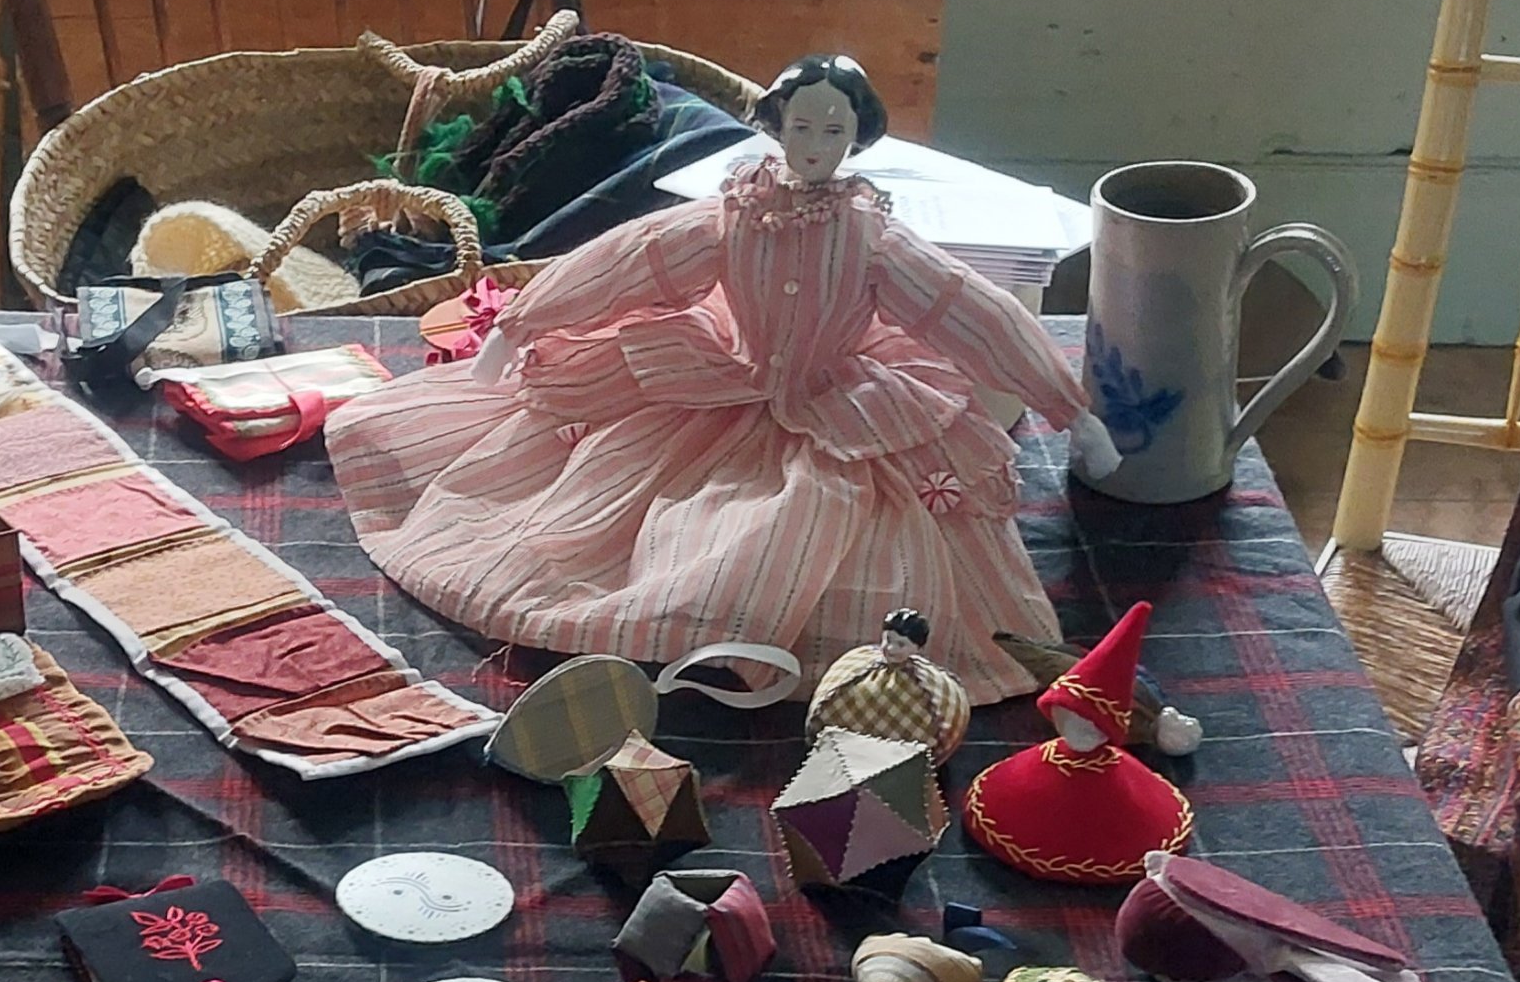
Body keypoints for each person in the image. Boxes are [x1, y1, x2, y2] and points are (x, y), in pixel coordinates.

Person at [327, 56, 1118, 701]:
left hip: (836, 406)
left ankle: (743, 627)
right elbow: (628, 261)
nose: (815, 144)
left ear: (857, 138)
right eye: (801, 126)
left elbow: (967, 310)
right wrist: (522, 322)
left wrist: (1065, 404)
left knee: (831, 524)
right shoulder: (733, 214)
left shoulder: (873, 239)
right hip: (712, 380)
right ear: (776, 125)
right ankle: (662, 612)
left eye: (834, 130)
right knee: (604, 495)